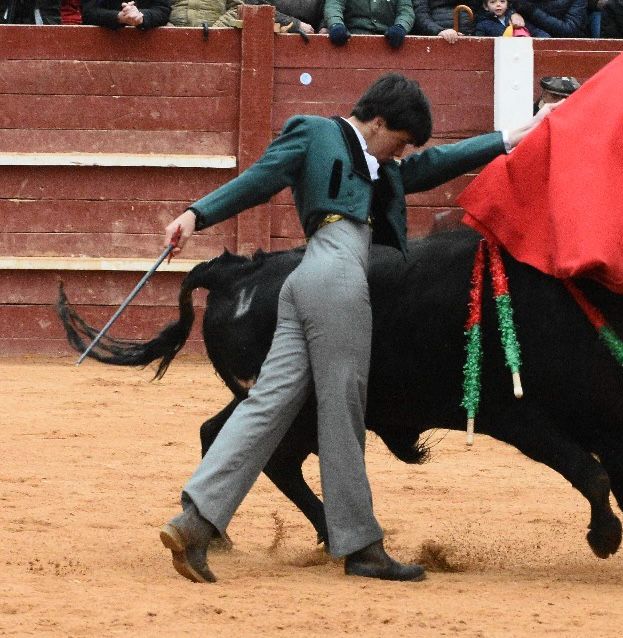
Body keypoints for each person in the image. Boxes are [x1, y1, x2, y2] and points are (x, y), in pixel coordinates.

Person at [158, 73, 555, 584]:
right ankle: (362, 545)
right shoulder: (317, 133)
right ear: (379, 121)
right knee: (343, 408)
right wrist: (197, 214)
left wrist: (513, 136)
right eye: (401, 141)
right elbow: (263, 175)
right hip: (338, 272)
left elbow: (431, 167)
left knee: (269, 402)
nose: (402, 154)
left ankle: (194, 523)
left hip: (309, 278)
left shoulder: (377, 166)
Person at [168, 0, 315, 33]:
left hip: (214, 38)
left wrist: (216, 30)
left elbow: (239, 8)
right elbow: (159, 7)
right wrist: (168, 29)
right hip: (170, 38)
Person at [324, 0, 414, 48]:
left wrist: (400, 26)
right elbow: (334, 6)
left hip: (388, 39)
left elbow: (406, 11)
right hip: (352, 38)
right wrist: (336, 25)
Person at [510, 0, 587, 37]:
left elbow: (570, 29)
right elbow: (503, 5)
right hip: (529, 40)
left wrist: (532, 11)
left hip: (566, 47)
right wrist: (512, 13)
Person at [412, 0, 476, 42]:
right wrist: (439, 31)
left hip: (468, 35)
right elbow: (421, 15)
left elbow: (478, 10)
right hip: (435, 38)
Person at [81, 0, 170, 28]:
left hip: (147, 36)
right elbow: (88, 12)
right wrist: (119, 17)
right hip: (107, 36)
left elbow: (163, 10)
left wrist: (141, 16)